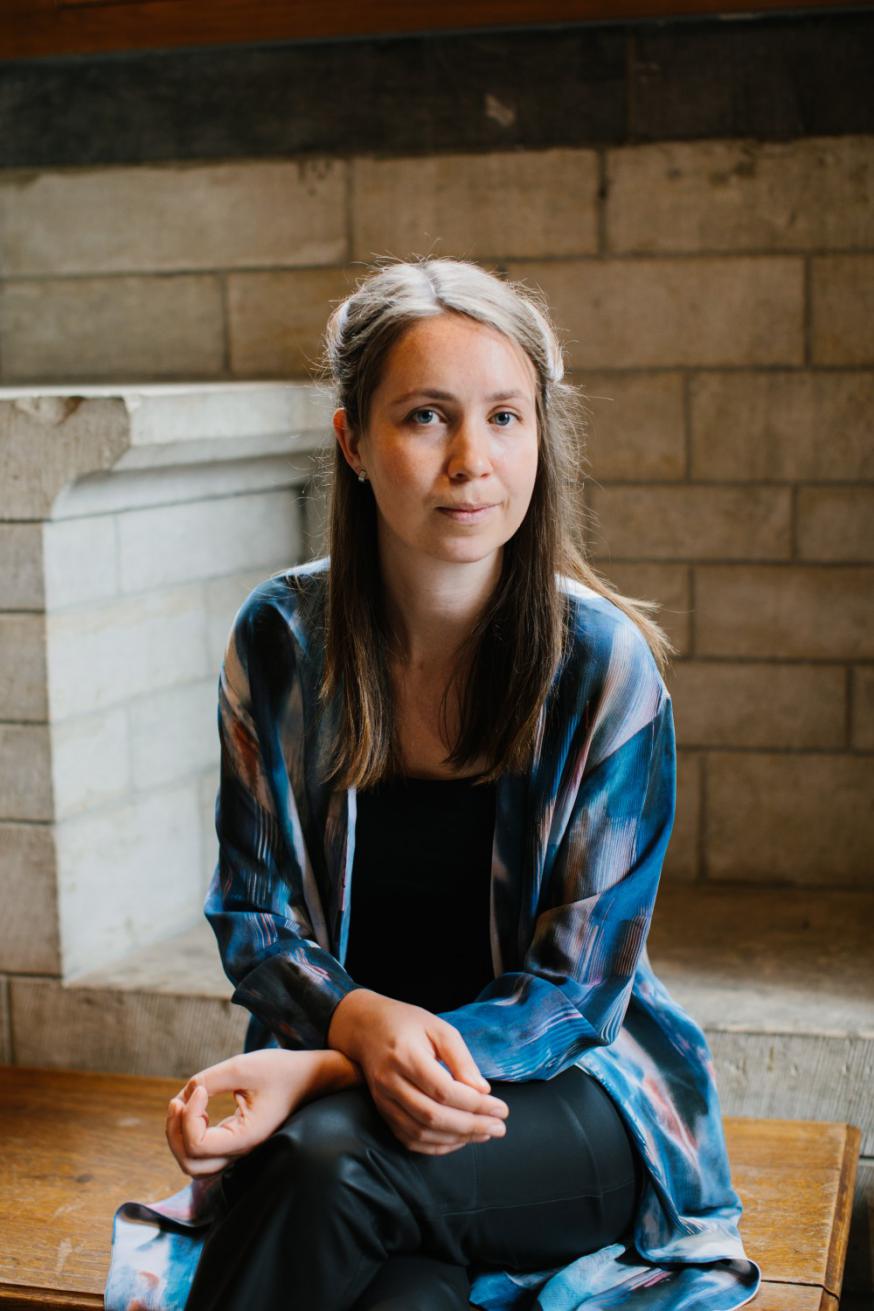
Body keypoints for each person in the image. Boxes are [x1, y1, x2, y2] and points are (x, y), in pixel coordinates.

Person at [103, 257, 761, 1311]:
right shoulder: (279, 643)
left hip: (564, 1105)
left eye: (505, 417)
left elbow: (581, 988)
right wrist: (351, 1023)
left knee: (326, 1164)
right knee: (398, 1298)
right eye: (425, 417)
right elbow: (255, 918)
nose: (472, 459)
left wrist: (328, 1062)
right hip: (352, 1118)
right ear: (352, 442)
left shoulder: (603, 665)